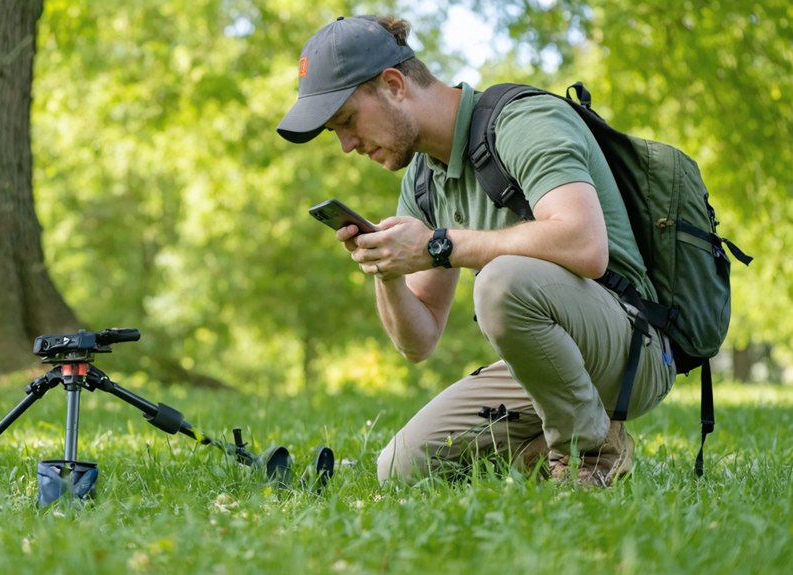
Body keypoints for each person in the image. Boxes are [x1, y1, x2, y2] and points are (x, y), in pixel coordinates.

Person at [276, 15, 676, 486]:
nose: (346, 145)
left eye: (346, 121)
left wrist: (439, 245)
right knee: (402, 469)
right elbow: (419, 341)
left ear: (393, 85)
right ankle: (546, 450)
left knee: (500, 281)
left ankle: (590, 457)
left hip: (631, 347)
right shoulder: (423, 181)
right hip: (544, 365)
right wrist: (389, 271)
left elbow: (584, 244)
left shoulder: (523, 121)